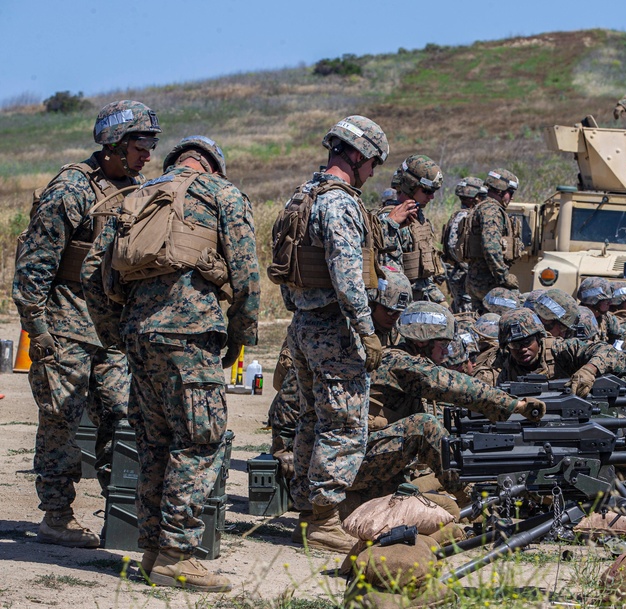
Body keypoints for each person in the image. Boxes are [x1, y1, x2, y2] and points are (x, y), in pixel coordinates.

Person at [87, 134, 259, 591]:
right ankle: (176, 554)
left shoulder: (135, 197)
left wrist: (115, 334)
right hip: (190, 338)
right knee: (199, 441)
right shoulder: (223, 194)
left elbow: (92, 274)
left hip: (139, 338)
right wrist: (239, 339)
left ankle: (150, 548)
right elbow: (246, 276)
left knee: (155, 442)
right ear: (214, 167)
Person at [13, 100, 159, 549]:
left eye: (152, 144)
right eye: (141, 144)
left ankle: (124, 516)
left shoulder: (138, 191)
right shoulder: (71, 189)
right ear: (114, 143)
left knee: (121, 415)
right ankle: (56, 516)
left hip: (111, 332)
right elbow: (33, 267)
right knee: (61, 419)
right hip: (64, 325)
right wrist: (37, 330)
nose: (148, 154)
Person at [275, 116, 389, 553]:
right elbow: (347, 278)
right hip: (334, 329)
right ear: (357, 155)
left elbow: (290, 268)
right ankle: (324, 520)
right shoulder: (339, 203)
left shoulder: (301, 197)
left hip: (302, 325)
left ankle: (308, 513)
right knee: (343, 424)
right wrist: (367, 332)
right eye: (373, 162)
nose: (374, 172)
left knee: (312, 420)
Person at [347, 302, 544, 508]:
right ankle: (469, 497)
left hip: (369, 460)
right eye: (443, 345)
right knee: (424, 426)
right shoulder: (400, 363)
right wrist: (515, 405)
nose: (446, 353)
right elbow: (453, 385)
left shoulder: (404, 362)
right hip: (354, 463)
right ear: (424, 343)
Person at [268, 267, 411, 479]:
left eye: (400, 313)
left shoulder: (394, 334)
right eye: (389, 311)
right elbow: (288, 399)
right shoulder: (339, 336)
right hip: (323, 432)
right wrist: (284, 448)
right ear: (370, 304)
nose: (394, 318)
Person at [474, 308, 626, 394]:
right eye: (514, 345)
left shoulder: (561, 349)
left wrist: (589, 370)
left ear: (539, 339)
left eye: (527, 342)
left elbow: (608, 352)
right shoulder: (501, 366)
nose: (522, 349)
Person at [378, 154, 446, 303]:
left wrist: (441, 302)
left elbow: (423, 277)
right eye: (427, 191)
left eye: (433, 192)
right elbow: (390, 280)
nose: (431, 197)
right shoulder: (391, 221)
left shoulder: (420, 219)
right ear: (411, 185)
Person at [464, 168, 521, 311]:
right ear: (501, 191)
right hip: (489, 282)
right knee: (518, 311)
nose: (512, 198)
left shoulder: (480, 207)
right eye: (511, 193)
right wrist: (504, 276)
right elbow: (490, 246)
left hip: (475, 280)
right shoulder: (492, 211)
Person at [442, 176, 486, 312]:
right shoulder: (464, 216)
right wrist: (468, 268)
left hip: (462, 275)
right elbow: (453, 246)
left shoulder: (464, 215)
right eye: (482, 197)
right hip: (462, 276)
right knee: (466, 315)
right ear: (474, 197)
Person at [577, 276, 626, 348]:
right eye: (607, 301)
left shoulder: (605, 317)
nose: (610, 304)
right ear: (594, 301)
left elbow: (621, 333)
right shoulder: (580, 320)